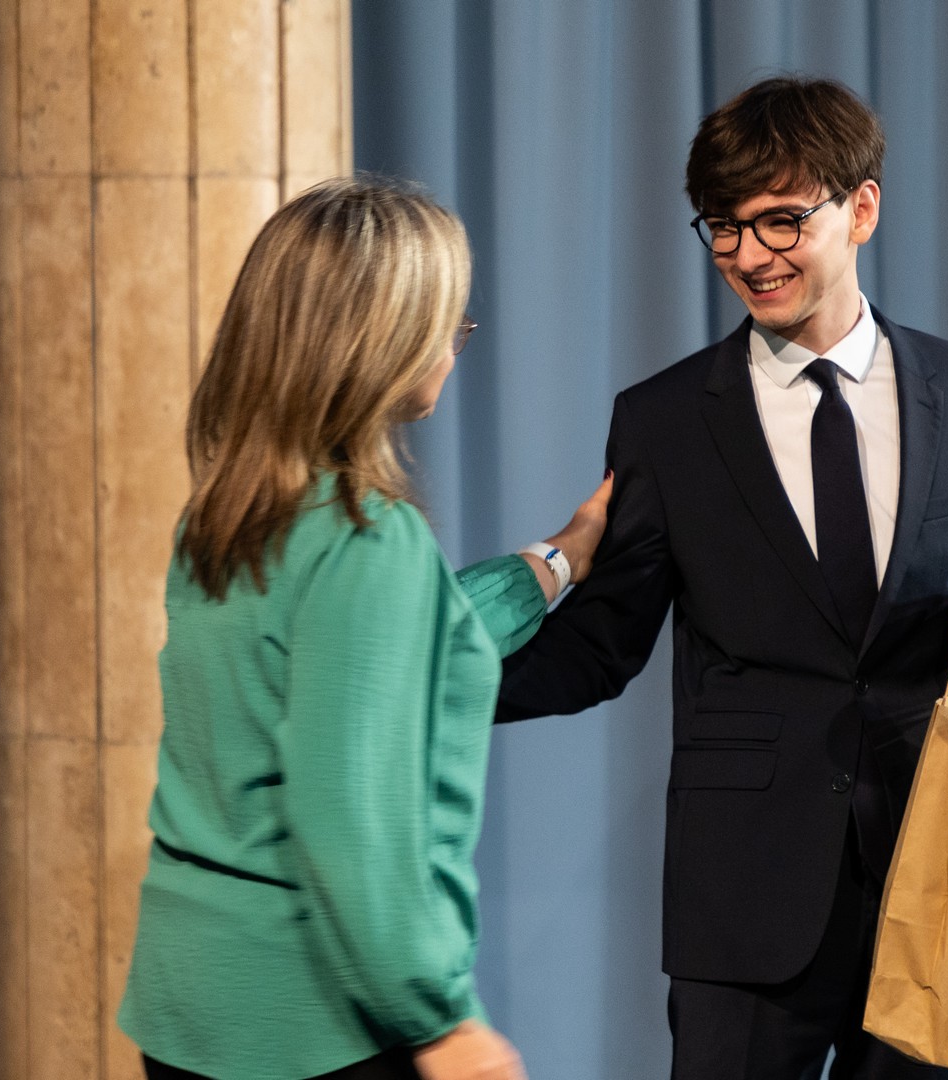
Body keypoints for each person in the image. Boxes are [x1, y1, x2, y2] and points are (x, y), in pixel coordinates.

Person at [496, 76, 948, 1078]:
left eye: (780, 221)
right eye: (724, 227)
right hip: (743, 899)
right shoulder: (664, 420)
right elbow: (602, 647)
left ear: (862, 208)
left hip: (929, 878)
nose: (749, 255)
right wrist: (428, 682)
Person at [118, 176, 615, 1080]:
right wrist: (441, 1020)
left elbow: (406, 643)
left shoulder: (230, 513)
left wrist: (558, 558)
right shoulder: (366, 540)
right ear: (383, 343)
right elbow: (349, 825)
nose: (454, 347)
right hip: (313, 1029)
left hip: (186, 1004)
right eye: (447, 324)